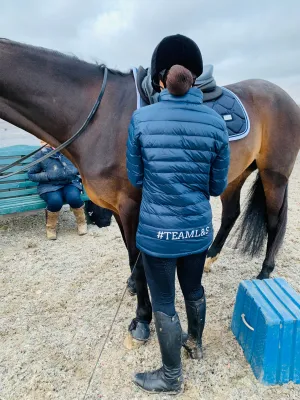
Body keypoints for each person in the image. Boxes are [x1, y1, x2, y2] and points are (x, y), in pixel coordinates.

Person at [126, 34, 230, 394]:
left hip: (158, 235)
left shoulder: (141, 120)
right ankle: (195, 344)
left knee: (165, 303)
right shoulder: (216, 123)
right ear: (195, 80)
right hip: (198, 231)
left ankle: (171, 378)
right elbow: (217, 187)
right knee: (195, 288)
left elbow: (136, 177)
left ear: (160, 81)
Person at [28, 141, 88, 240]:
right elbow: (31, 174)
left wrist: (74, 172)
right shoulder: (41, 154)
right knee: (55, 201)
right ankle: (51, 228)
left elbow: (80, 166)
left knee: (74, 198)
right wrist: (47, 175)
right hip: (49, 186)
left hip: (69, 182)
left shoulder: (69, 150)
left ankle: (81, 223)